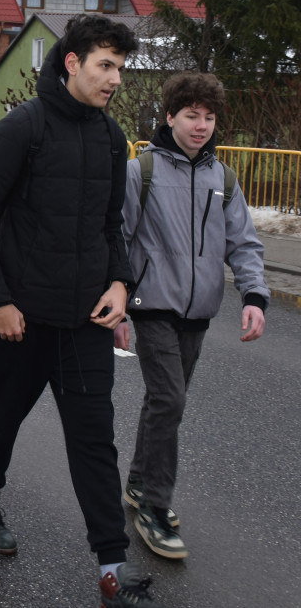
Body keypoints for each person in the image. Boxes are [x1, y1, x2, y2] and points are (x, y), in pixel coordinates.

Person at [0, 15, 166, 608]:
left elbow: (109, 228)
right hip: (21, 321)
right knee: (1, 420)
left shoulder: (109, 137)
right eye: (105, 65)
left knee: (94, 442)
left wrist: (121, 286)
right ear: (72, 63)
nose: (115, 78)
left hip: (84, 324)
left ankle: (113, 570)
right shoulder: (21, 129)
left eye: (121, 67)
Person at [117, 71, 269, 561]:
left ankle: (139, 482)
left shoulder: (221, 178)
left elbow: (243, 242)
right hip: (151, 305)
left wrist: (254, 295)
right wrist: (117, 302)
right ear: (170, 117)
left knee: (165, 403)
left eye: (208, 117)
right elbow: (117, 240)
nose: (201, 125)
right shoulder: (142, 172)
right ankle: (155, 509)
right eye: (191, 115)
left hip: (199, 311)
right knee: (169, 399)